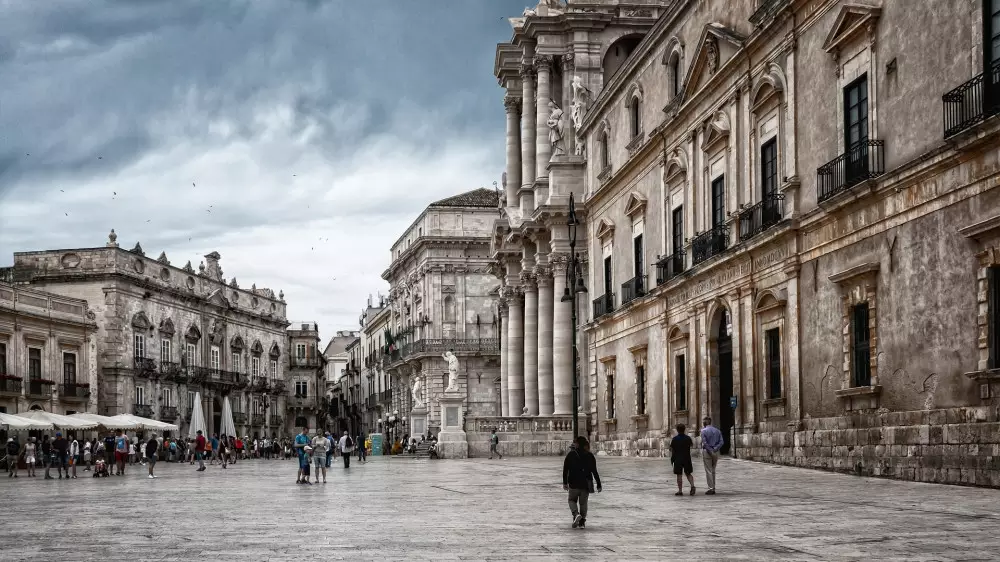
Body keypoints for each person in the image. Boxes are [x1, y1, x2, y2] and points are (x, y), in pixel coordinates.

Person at [562, 436, 601, 529]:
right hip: (585, 484)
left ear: (578, 444)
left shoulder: (571, 455)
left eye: (575, 442)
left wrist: (565, 483)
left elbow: (565, 470)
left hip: (573, 483)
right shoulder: (590, 455)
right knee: (583, 503)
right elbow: (594, 471)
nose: (574, 444)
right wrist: (599, 484)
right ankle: (582, 523)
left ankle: (576, 514)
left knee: (571, 500)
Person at [669, 424, 696, 496]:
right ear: (684, 429)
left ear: (677, 430)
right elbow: (691, 445)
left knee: (679, 475)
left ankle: (680, 491)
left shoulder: (675, 439)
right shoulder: (688, 438)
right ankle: (692, 486)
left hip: (677, 458)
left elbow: (671, 449)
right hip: (687, 458)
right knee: (688, 473)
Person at [700, 416, 723, 495]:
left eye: (703, 421)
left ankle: (711, 488)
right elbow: (721, 442)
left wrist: (710, 450)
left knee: (708, 470)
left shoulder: (703, 431)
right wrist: (715, 449)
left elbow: (705, 443)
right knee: (713, 470)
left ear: (705, 423)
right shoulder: (717, 431)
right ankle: (713, 487)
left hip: (707, 452)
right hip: (715, 452)